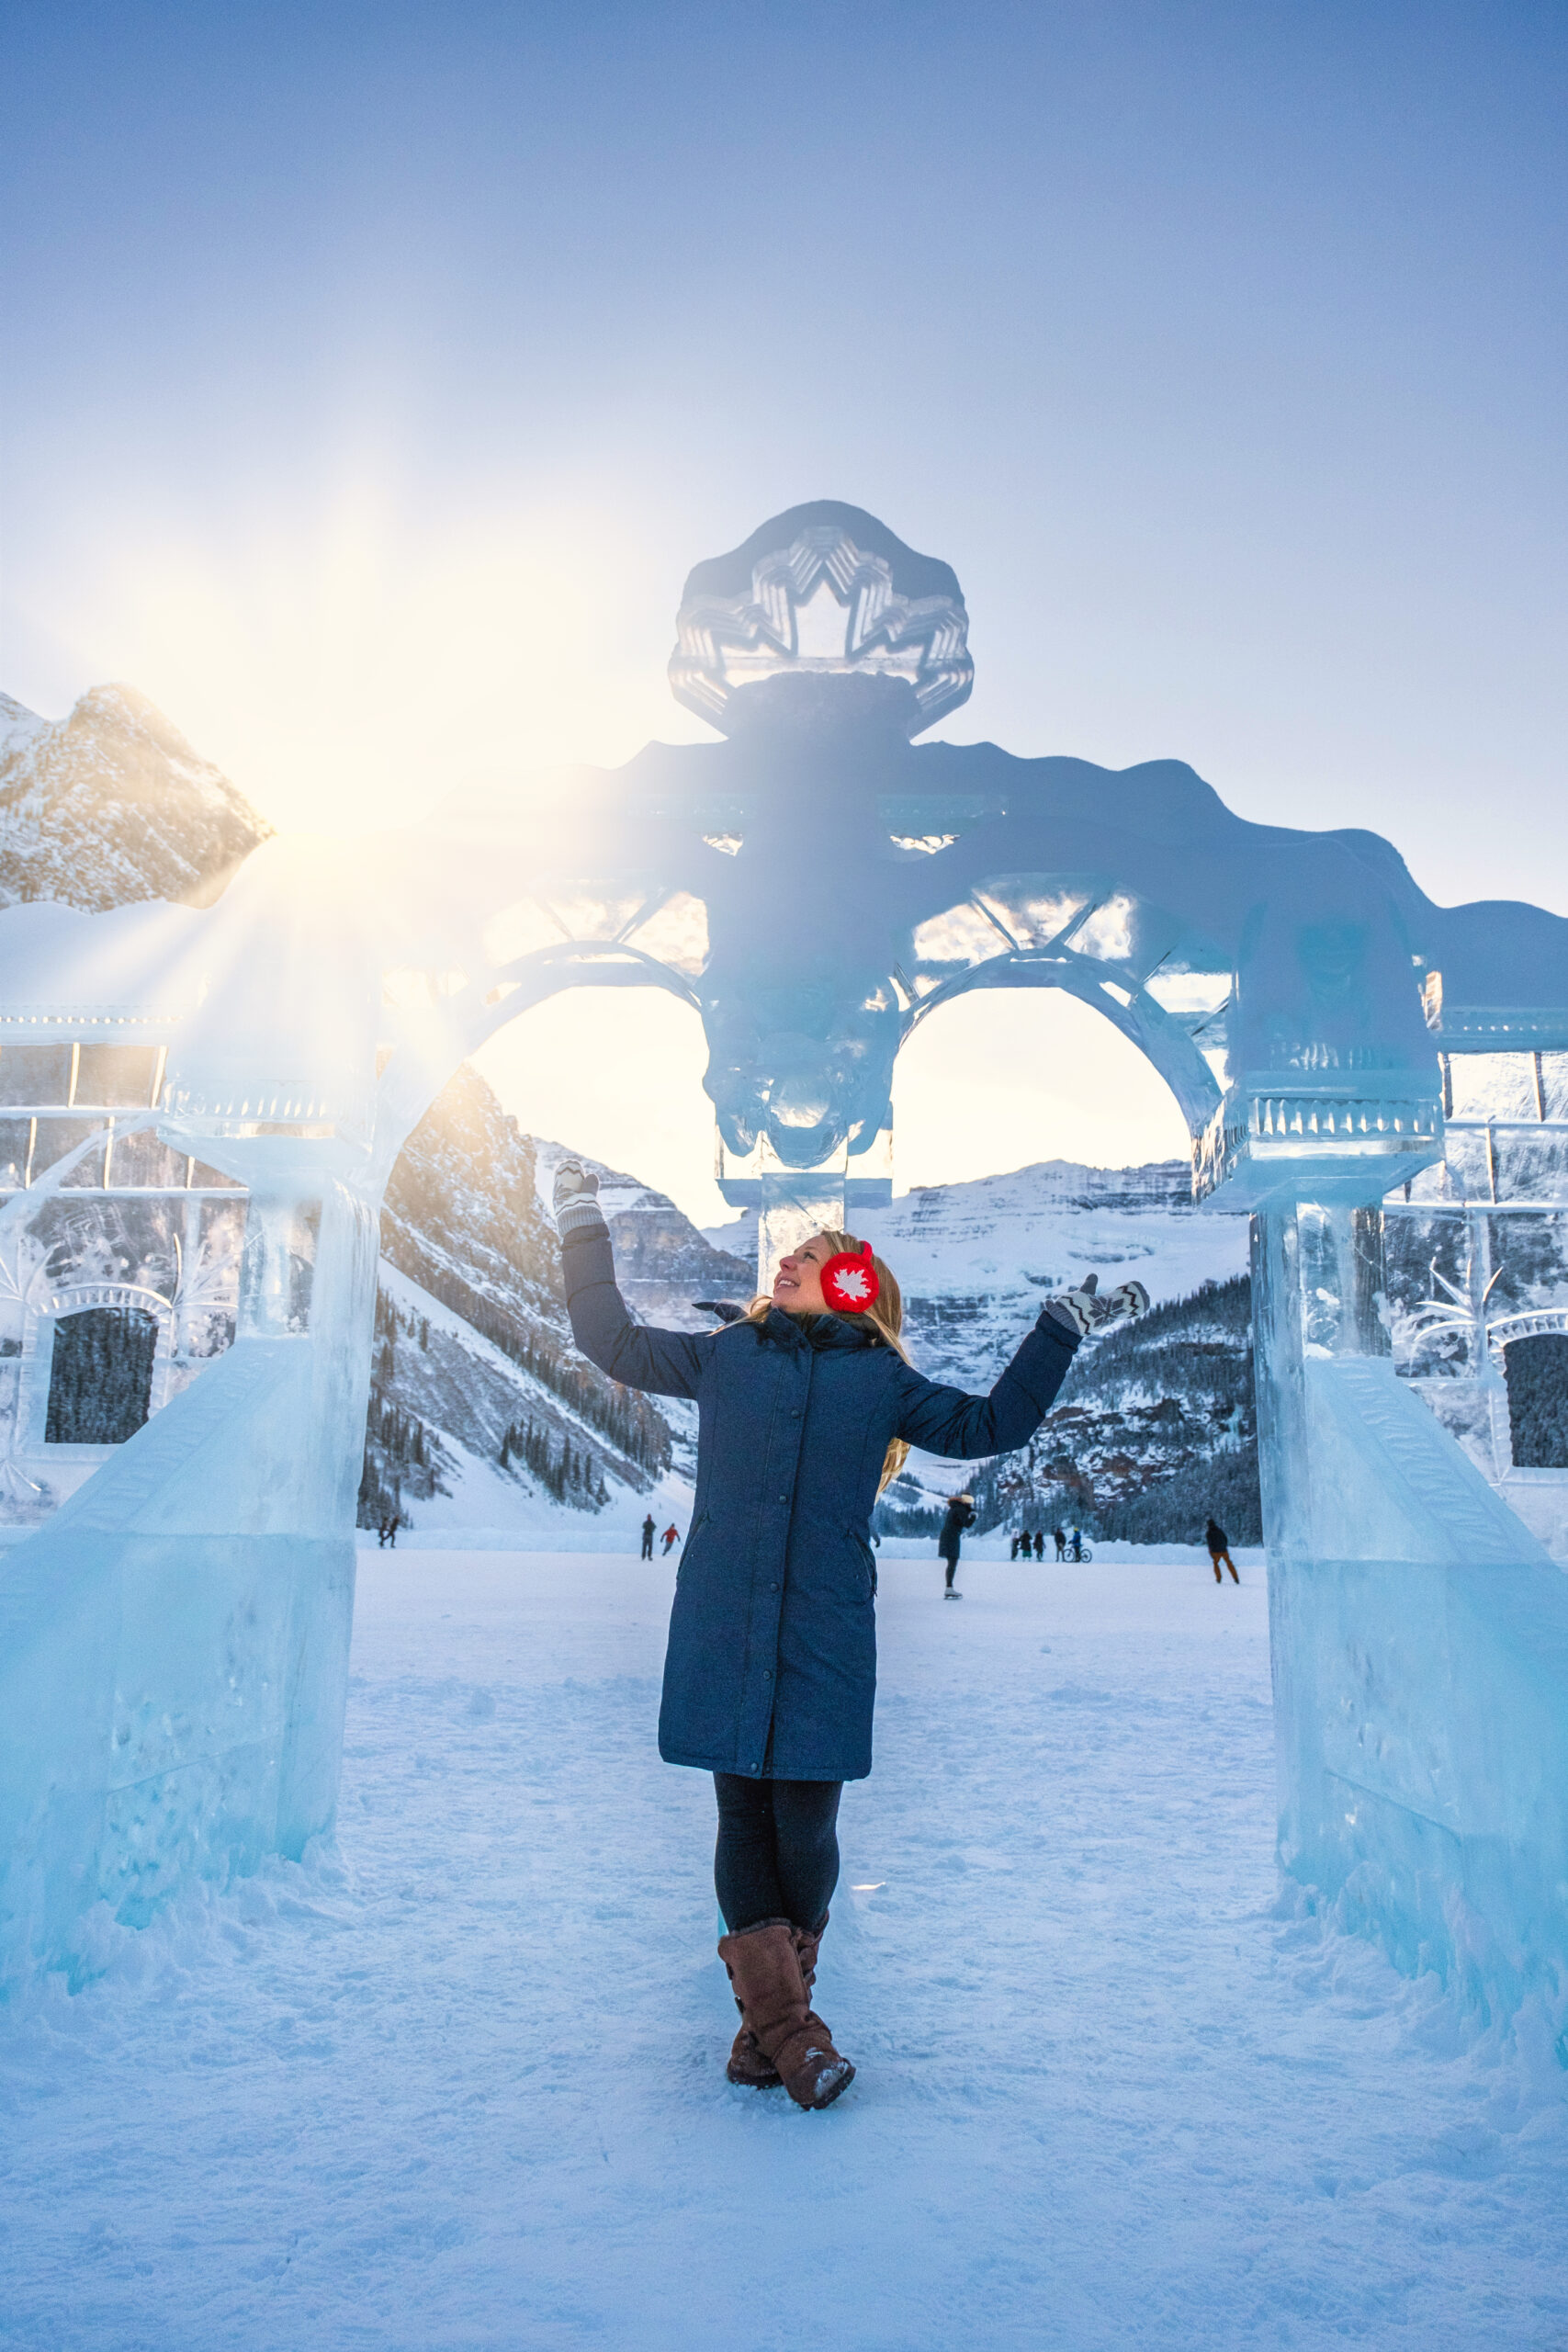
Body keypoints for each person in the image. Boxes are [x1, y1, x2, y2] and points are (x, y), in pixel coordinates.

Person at [552, 1159, 1149, 2108]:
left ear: (853, 1287)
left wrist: (1057, 1328)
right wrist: (581, 1219)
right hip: (723, 1618)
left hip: (826, 1628)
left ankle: (768, 2036)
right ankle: (792, 2035)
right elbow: (606, 1335)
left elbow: (996, 1418)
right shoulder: (724, 1354)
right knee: (741, 1813)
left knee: (805, 1821)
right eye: (791, 1251)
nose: (788, 1259)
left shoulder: (881, 1381)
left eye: (815, 1255)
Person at [938, 1492, 976, 1598]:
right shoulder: (960, 1509)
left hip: (948, 1536)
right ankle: (949, 1588)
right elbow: (967, 1524)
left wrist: (970, 1512)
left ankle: (949, 1587)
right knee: (953, 1562)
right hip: (952, 1537)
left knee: (952, 1562)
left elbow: (960, 1517)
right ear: (967, 1502)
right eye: (970, 1503)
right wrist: (973, 1517)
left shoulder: (956, 1507)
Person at [1206, 1517, 1239, 1584]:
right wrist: (1224, 1546)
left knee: (1216, 1563)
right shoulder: (1219, 1530)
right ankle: (1236, 1578)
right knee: (1229, 1563)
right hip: (1224, 1550)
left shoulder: (1209, 1533)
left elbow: (1210, 1543)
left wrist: (1211, 1551)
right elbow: (1225, 1539)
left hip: (1215, 1551)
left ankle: (1219, 1579)